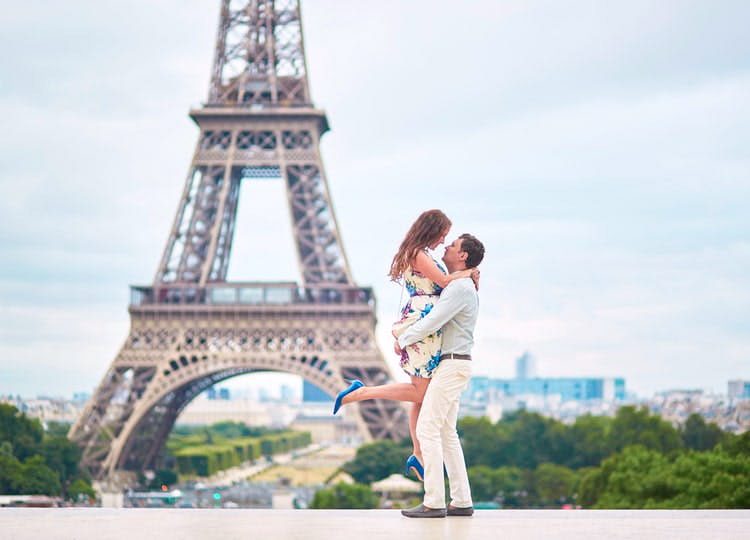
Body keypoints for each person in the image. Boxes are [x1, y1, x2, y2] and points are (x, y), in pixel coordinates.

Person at [332, 210, 477, 480]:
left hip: (426, 326)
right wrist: (469, 273)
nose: (444, 239)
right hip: (421, 325)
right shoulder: (418, 254)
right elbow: (445, 282)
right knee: (420, 392)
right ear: (431, 229)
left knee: (422, 394)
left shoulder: (422, 254)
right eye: (443, 233)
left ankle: (417, 453)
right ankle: (363, 392)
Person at [398, 233, 485, 518]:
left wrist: (404, 338)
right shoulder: (460, 284)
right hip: (453, 364)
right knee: (447, 433)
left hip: (451, 365)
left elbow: (434, 320)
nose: (446, 246)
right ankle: (461, 500)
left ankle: (434, 501)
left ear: (463, 256)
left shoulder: (460, 288)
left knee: (427, 430)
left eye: (453, 245)